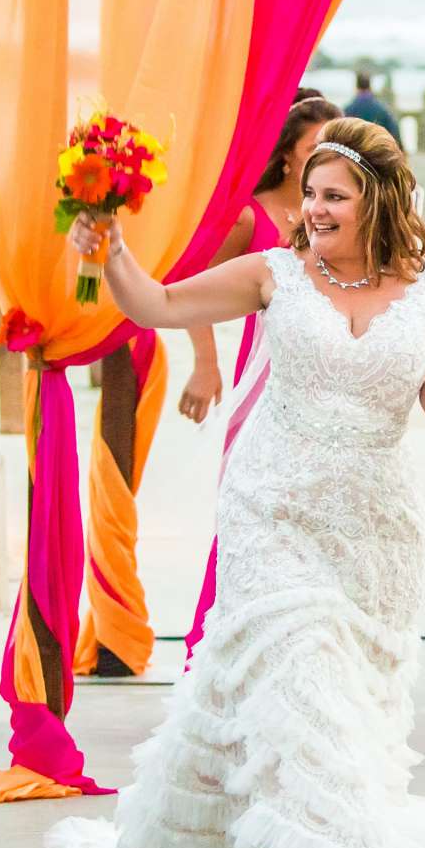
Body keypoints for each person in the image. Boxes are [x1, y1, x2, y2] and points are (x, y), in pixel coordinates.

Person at [46, 118, 425, 848]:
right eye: (310, 193)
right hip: (270, 508)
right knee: (299, 674)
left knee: (343, 699)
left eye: (334, 196)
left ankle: (219, 842)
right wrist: (109, 245)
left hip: (372, 526)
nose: (314, 210)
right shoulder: (274, 275)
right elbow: (161, 304)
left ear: (378, 201)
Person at [174, 92, 343, 670]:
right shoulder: (251, 215)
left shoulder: (340, 219)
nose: (328, 158)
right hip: (261, 386)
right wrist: (205, 362)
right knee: (251, 516)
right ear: (290, 158)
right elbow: (190, 286)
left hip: (327, 391)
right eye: (315, 148)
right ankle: (216, 652)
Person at [344, 70, 402, 149]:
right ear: (370, 86)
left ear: (356, 86)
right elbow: (394, 132)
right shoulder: (382, 109)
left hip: (355, 153)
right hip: (378, 152)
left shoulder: (348, 110)